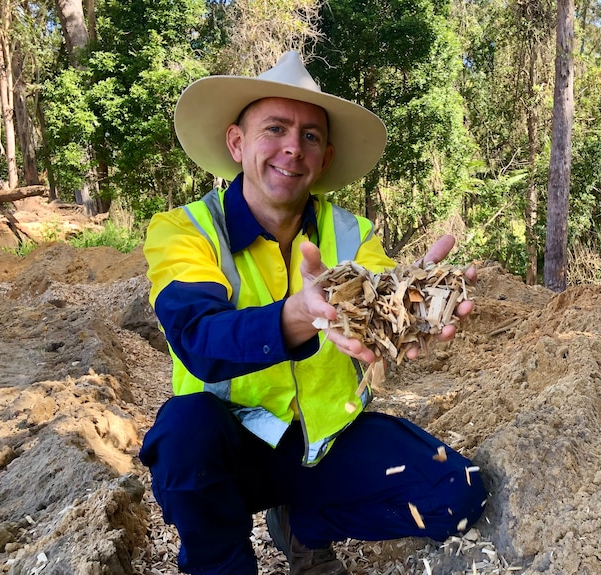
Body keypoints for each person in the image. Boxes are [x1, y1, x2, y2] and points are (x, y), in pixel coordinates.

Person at [139, 51, 486, 575]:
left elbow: (385, 295)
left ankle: (305, 525)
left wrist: (420, 299)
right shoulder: (186, 231)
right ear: (237, 143)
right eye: (274, 128)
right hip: (230, 450)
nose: (292, 149)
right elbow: (196, 338)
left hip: (323, 445)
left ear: (324, 158)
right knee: (182, 432)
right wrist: (298, 316)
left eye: (310, 136)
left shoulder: (351, 234)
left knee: (454, 493)